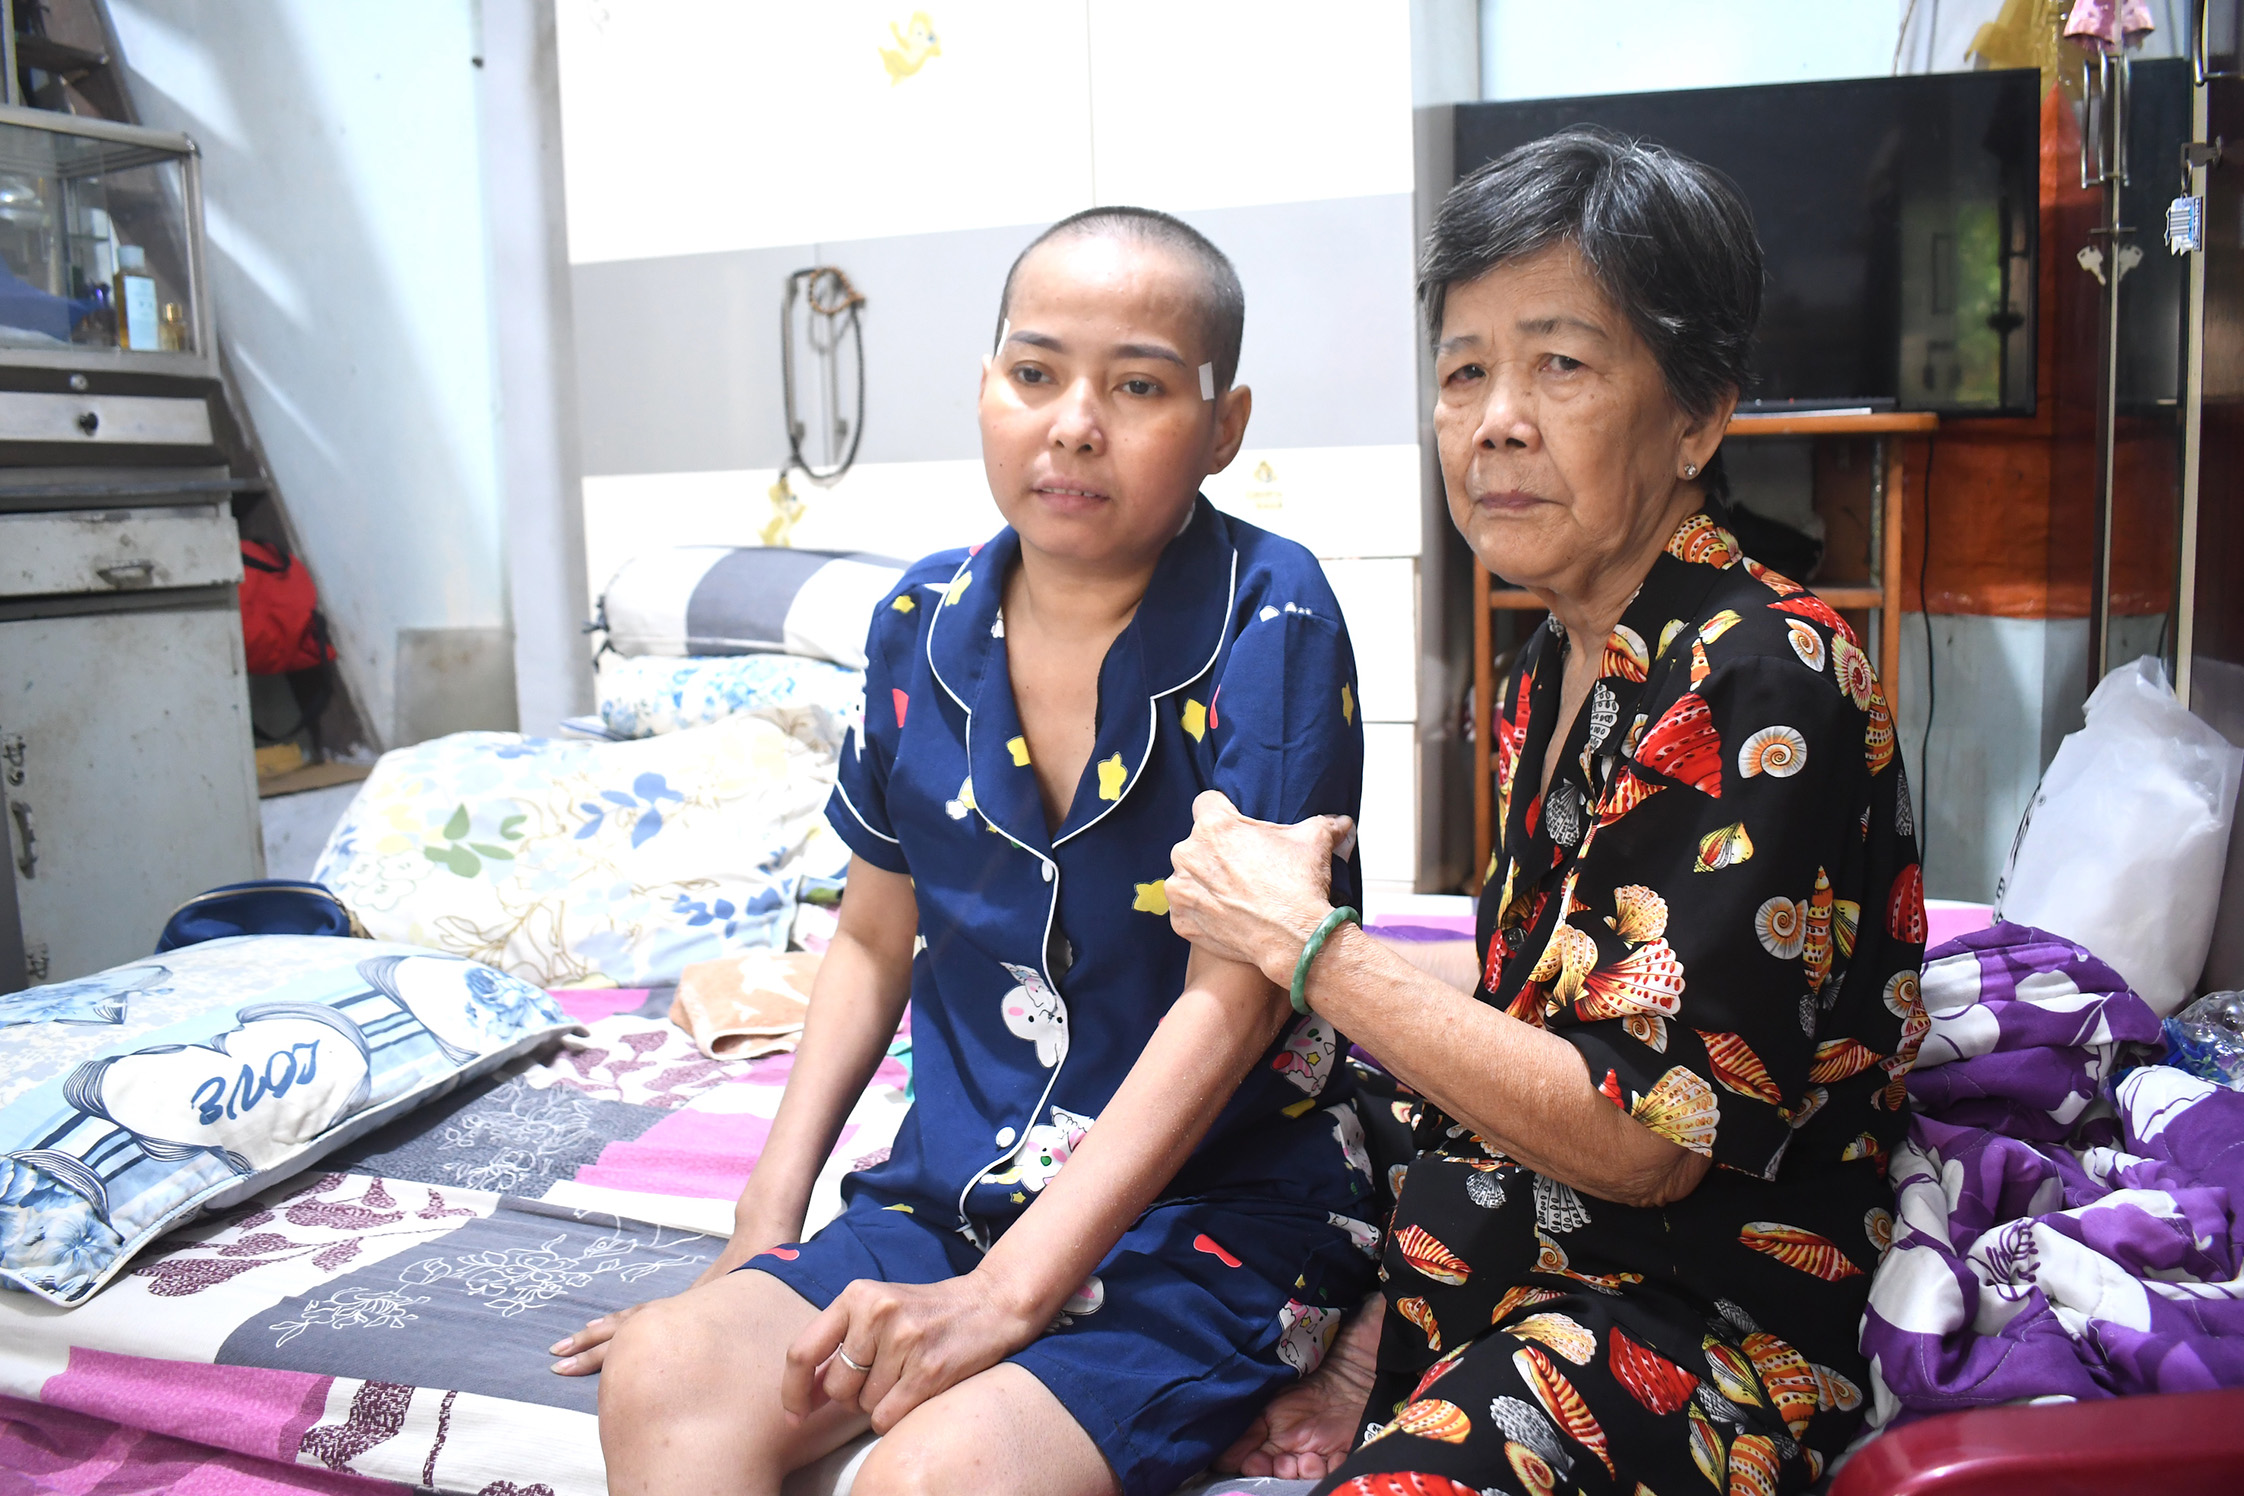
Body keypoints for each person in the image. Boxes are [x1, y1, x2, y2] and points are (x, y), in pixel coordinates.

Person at [561, 206, 1382, 1496]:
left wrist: (1007, 1300)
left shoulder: (1273, 616)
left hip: (1209, 1210)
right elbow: (870, 940)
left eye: (1139, 387)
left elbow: (1236, 999)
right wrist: (764, 1227)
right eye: (1035, 372)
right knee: (667, 1368)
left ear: (1223, 427)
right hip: (955, 1195)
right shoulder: (917, 621)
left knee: (939, 1474)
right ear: (987, 386)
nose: (1075, 424)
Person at [1168, 129, 1927, 1495]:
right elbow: (1536, 1008)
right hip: (1517, 1281)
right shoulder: (1548, 668)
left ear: (1698, 418)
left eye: (1561, 365)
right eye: (1464, 371)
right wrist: (1367, 1346)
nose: (1495, 421)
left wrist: (1309, 945)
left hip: (1691, 1329)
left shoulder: (1764, 673)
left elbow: (1640, 1139)